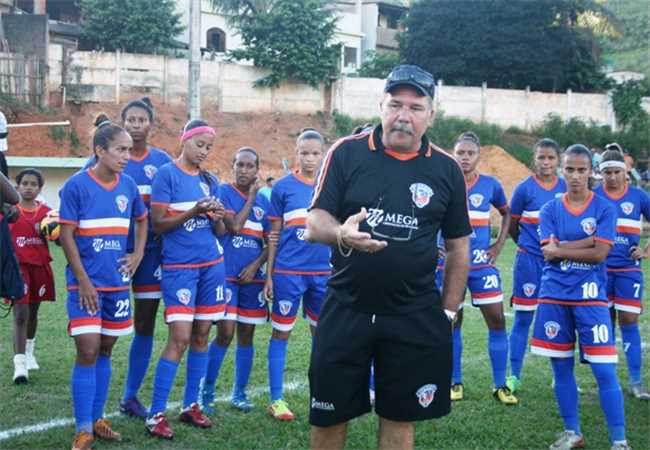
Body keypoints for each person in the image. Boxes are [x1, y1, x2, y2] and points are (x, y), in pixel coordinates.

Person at [305, 64, 471, 449]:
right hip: (347, 307)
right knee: (328, 414)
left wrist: (447, 312)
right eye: (396, 104)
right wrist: (341, 233)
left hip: (413, 313)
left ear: (431, 115)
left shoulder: (446, 169)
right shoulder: (346, 153)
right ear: (381, 105)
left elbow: (459, 245)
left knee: (400, 415)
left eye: (415, 107)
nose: (403, 115)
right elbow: (314, 223)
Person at [531, 144, 629, 450]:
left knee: (603, 369)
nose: (575, 175)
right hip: (554, 296)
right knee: (561, 368)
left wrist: (563, 248)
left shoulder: (604, 209)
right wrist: (585, 243)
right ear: (562, 170)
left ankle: (619, 440)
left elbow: (600, 254)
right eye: (570, 169)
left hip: (591, 299)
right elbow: (548, 254)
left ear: (592, 172)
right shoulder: (550, 210)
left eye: (581, 169)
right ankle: (573, 433)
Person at [59, 114, 148, 450]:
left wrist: (138, 254)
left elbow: (142, 221)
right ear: (100, 151)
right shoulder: (76, 185)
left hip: (116, 283)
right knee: (88, 349)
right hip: (85, 284)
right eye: (119, 150)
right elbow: (66, 235)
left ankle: (98, 418)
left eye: (128, 150)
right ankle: (83, 429)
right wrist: (82, 281)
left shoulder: (128, 186)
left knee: (106, 349)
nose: (126, 156)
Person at [145, 119, 226, 440]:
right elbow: (158, 224)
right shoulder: (167, 174)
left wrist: (217, 217)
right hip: (180, 267)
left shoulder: (211, 180)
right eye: (199, 145)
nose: (204, 152)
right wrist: (193, 211)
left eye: (209, 147)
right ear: (184, 140)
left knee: (202, 334)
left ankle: (191, 405)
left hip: (212, 265)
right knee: (179, 338)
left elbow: (220, 231)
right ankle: (155, 413)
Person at [263, 128, 331, 421]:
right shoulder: (282, 188)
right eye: (304, 152)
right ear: (296, 153)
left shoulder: (331, 187)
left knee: (323, 335)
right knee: (282, 332)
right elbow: (274, 235)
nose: (310, 158)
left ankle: (321, 393)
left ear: (323, 154)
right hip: (288, 272)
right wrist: (269, 274)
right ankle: (276, 399)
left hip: (323, 273)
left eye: (315, 153)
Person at [114, 97, 174, 418]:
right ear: (122, 123)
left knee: (145, 323)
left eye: (141, 120)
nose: (136, 125)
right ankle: (95, 388)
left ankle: (130, 395)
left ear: (151, 124)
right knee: (103, 327)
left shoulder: (163, 163)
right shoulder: (108, 159)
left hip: (151, 255)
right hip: (113, 253)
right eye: (131, 120)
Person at [200, 147, 270, 413]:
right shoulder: (224, 192)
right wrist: (251, 197)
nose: (244, 170)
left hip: (252, 277)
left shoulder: (266, 202)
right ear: (233, 166)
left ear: (257, 169)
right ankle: (206, 392)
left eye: (250, 166)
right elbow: (235, 226)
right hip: (226, 274)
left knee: (246, 335)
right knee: (225, 332)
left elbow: (270, 242)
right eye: (240, 165)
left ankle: (239, 393)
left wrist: (256, 265)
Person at [449, 131, 515, 404]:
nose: (465, 157)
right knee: (452, 322)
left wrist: (499, 244)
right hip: (450, 266)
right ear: (454, 154)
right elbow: (426, 215)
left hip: (481, 264)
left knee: (497, 320)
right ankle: (455, 382)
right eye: (460, 153)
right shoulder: (444, 182)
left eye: (470, 153)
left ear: (478, 156)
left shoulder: (490, 184)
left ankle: (500, 385)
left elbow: (507, 212)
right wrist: (432, 244)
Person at [506, 139, 566, 393]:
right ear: (534, 159)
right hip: (529, 262)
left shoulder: (566, 188)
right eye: (541, 157)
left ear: (558, 160)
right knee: (523, 319)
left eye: (551, 158)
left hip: (560, 263)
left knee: (559, 318)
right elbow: (512, 223)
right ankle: (513, 376)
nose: (546, 163)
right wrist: (528, 245)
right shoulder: (524, 189)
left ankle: (559, 377)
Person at [594, 149, 650, 400]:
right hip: (599, 270)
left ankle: (636, 382)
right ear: (601, 173)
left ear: (625, 171)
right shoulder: (593, 196)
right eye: (608, 172)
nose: (613, 177)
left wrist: (646, 250)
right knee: (604, 324)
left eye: (617, 172)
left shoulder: (639, 196)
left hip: (629, 270)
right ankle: (608, 379)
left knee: (628, 321)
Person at [6, 169, 56, 384]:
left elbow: (59, 240)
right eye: (24, 183)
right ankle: (19, 365)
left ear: (39, 188)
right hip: (18, 269)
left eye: (33, 184)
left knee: (33, 312)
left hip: (40, 268)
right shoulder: (9, 211)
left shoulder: (47, 213)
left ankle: (29, 352)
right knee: (20, 314)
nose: (28, 187)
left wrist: (58, 232)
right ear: (16, 187)